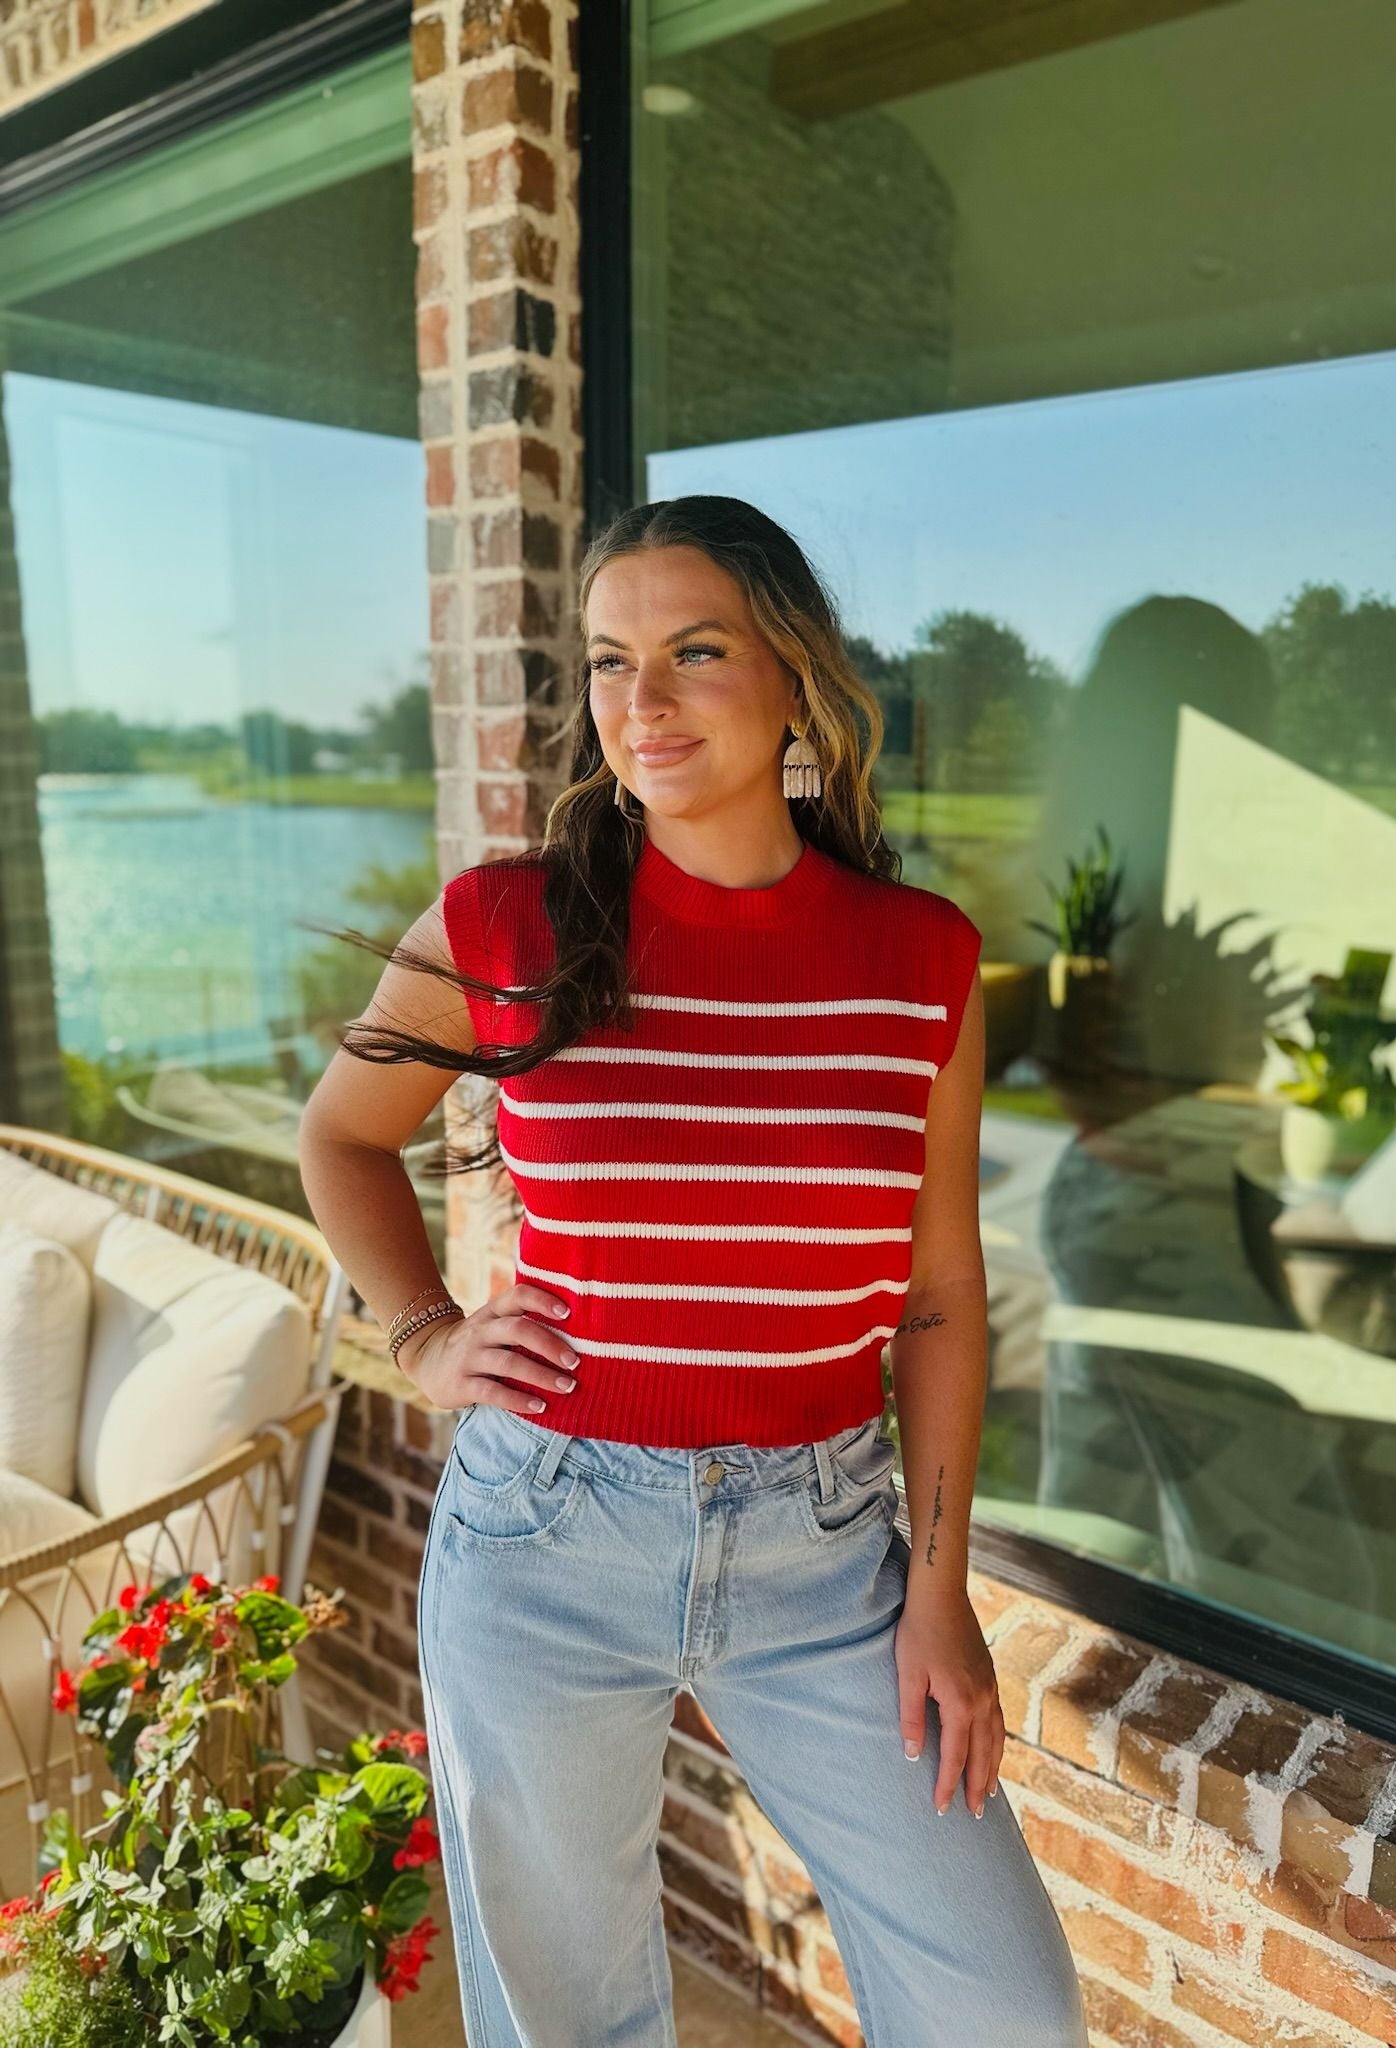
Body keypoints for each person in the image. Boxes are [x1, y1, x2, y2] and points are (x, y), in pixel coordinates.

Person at [297, 495, 1088, 2048]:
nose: (638, 703)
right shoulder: (510, 918)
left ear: (795, 676)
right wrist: (426, 1335)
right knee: (570, 2019)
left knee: (1004, 2002)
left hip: (829, 1554)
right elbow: (341, 1137)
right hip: (545, 1538)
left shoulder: (920, 957)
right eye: (608, 660)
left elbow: (936, 1301)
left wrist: (940, 1596)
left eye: (693, 652)